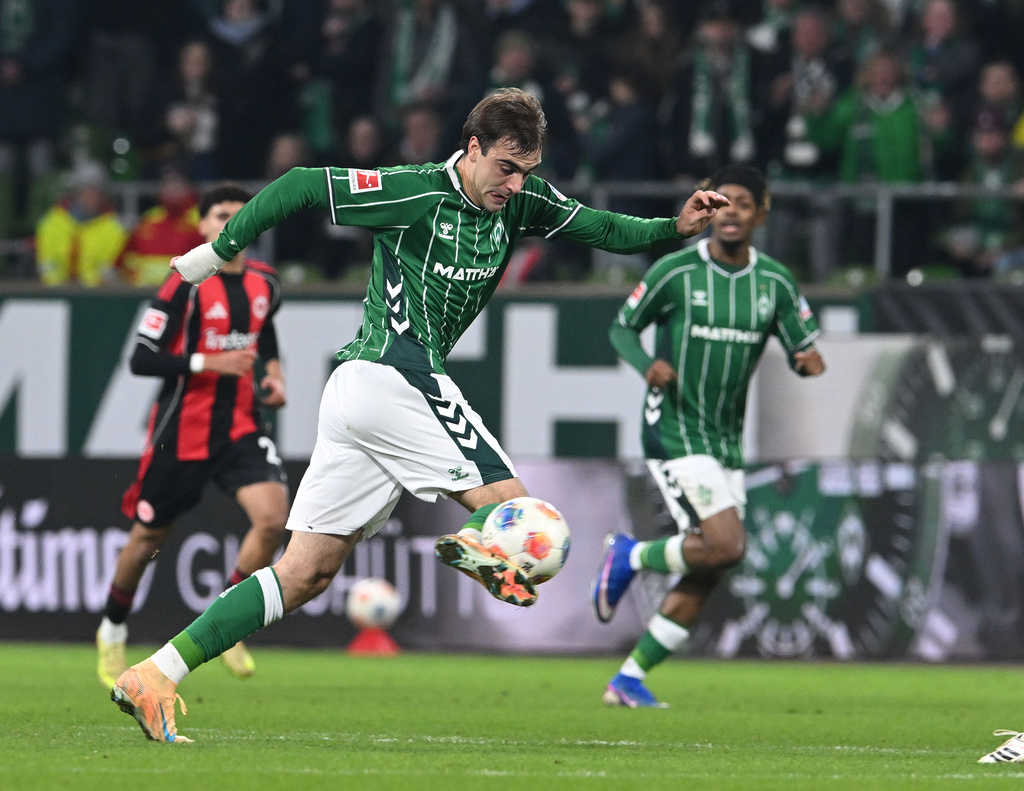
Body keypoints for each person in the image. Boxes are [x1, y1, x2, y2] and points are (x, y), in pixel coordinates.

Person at [108, 87, 729, 742]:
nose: (515, 185)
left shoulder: (521, 206)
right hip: (392, 375)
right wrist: (215, 252)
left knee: (306, 570)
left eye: (527, 172)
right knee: (528, 513)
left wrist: (674, 228)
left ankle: (156, 672)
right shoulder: (411, 191)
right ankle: (485, 541)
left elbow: (604, 228)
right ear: (473, 148)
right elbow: (297, 184)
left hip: (364, 398)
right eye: (506, 168)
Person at [591, 164, 826, 708]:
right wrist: (647, 364)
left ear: (761, 214)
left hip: (725, 440)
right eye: (724, 202)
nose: (733, 212)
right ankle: (628, 556)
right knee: (725, 545)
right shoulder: (676, 271)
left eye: (745, 203)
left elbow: (802, 348)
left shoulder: (775, 283)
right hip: (674, 428)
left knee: (714, 564)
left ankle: (628, 679)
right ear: (710, 208)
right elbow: (621, 326)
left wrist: (807, 361)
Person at [96, 182, 289, 691]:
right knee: (147, 540)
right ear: (202, 226)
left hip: (242, 427)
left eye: (240, 215)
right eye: (220, 215)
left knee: (273, 521)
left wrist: (273, 372)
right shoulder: (184, 281)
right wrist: (210, 361)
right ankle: (112, 627)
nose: (231, 224)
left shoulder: (266, 282)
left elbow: (264, 330)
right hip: (183, 432)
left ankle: (227, 622)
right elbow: (141, 357)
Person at [34, 161, 129, 287]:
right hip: (55, 290)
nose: (91, 197)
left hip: (95, 294)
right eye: (86, 191)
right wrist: (58, 286)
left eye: (96, 192)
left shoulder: (114, 228)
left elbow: (109, 269)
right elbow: (46, 263)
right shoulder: (52, 222)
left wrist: (88, 288)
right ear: (75, 193)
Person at [116, 162, 205, 286]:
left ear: (189, 188)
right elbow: (125, 259)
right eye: (167, 184)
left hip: (184, 292)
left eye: (177, 183)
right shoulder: (149, 219)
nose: (172, 188)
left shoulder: (201, 221)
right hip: (144, 293)